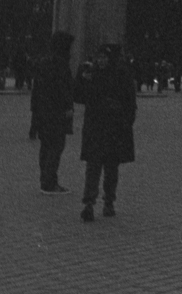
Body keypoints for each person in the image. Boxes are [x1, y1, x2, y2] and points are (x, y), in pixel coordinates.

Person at [77, 44, 137, 221]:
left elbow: (130, 102)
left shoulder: (121, 75)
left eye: (104, 57)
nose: (101, 61)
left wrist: (125, 122)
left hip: (114, 129)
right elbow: (79, 96)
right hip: (95, 128)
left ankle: (109, 201)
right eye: (99, 57)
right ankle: (89, 203)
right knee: (93, 167)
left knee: (111, 168)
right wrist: (81, 79)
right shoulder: (92, 74)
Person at [31, 32, 75, 194]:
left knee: (46, 146)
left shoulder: (44, 63)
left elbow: (37, 89)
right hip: (56, 112)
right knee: (56, 146)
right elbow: (63, 89)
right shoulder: (61, 64)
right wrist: (68, 107)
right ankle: (50, 182)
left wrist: (35, 110)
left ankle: (45, 179)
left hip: (43, 111)